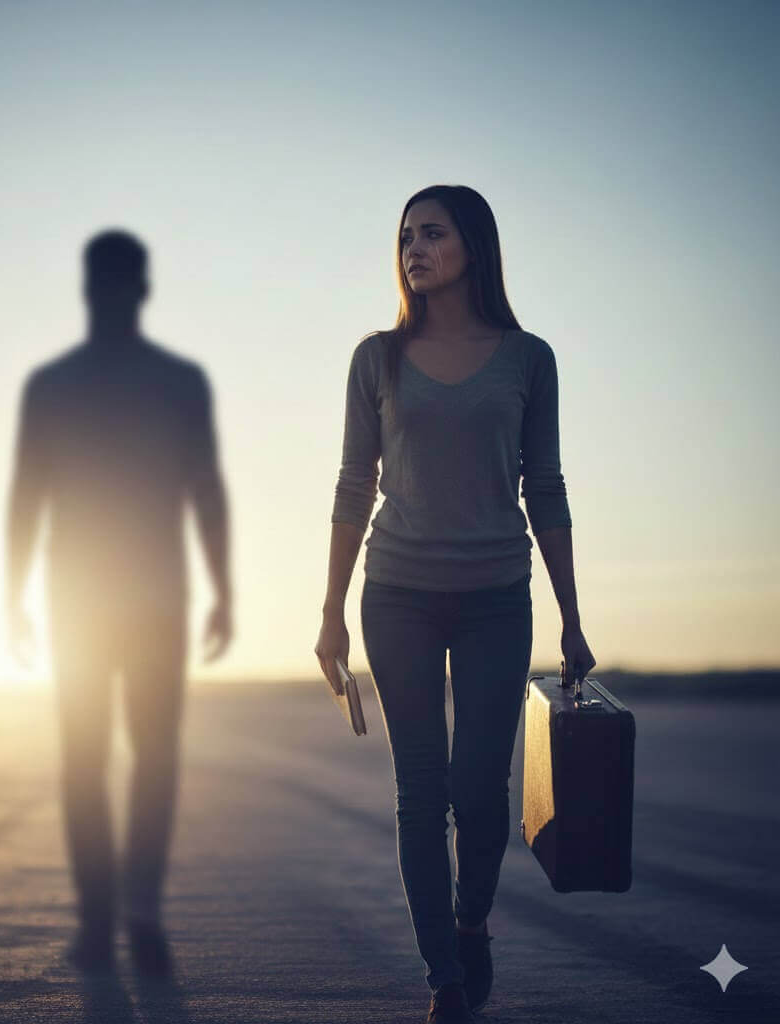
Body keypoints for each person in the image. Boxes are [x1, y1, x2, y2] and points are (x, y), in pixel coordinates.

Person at [314, 185, 595, 1022]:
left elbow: (544, 486)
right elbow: (352, 484)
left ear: (474, 244)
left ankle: (472, 923)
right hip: (395, 592)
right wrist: (329, 610)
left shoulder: (528, 358)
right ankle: (443, 978)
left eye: (432, 233)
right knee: (419, 787)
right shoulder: (377, 357)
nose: (414, 247)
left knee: (479, 788)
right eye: (405, 235)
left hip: (496, 599)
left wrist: (573, 617)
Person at [6, 229, 232, 976]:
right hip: (130, 598)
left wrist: (12, 598)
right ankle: (122, 919)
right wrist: (222, 590)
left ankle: (117, 920)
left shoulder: (67, 383)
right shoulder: (167, 380)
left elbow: (204, 491)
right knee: (136, 760)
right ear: (143, 288)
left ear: (98, 287)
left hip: (107, 599)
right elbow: (205, 494)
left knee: (98, 761)